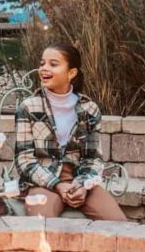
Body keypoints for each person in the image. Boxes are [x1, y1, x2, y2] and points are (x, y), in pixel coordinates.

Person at [14, 42, 127, 220]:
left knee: (118, 224)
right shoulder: (28, 107)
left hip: (79, 181)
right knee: (43, 225)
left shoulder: (89, 109)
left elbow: (93, 158)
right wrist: (57, 184)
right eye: (42, 63)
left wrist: (83, 185)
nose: (44, 68)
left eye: (53, 64)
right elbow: (24, 159)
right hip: (42, 182)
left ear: (71, 73)